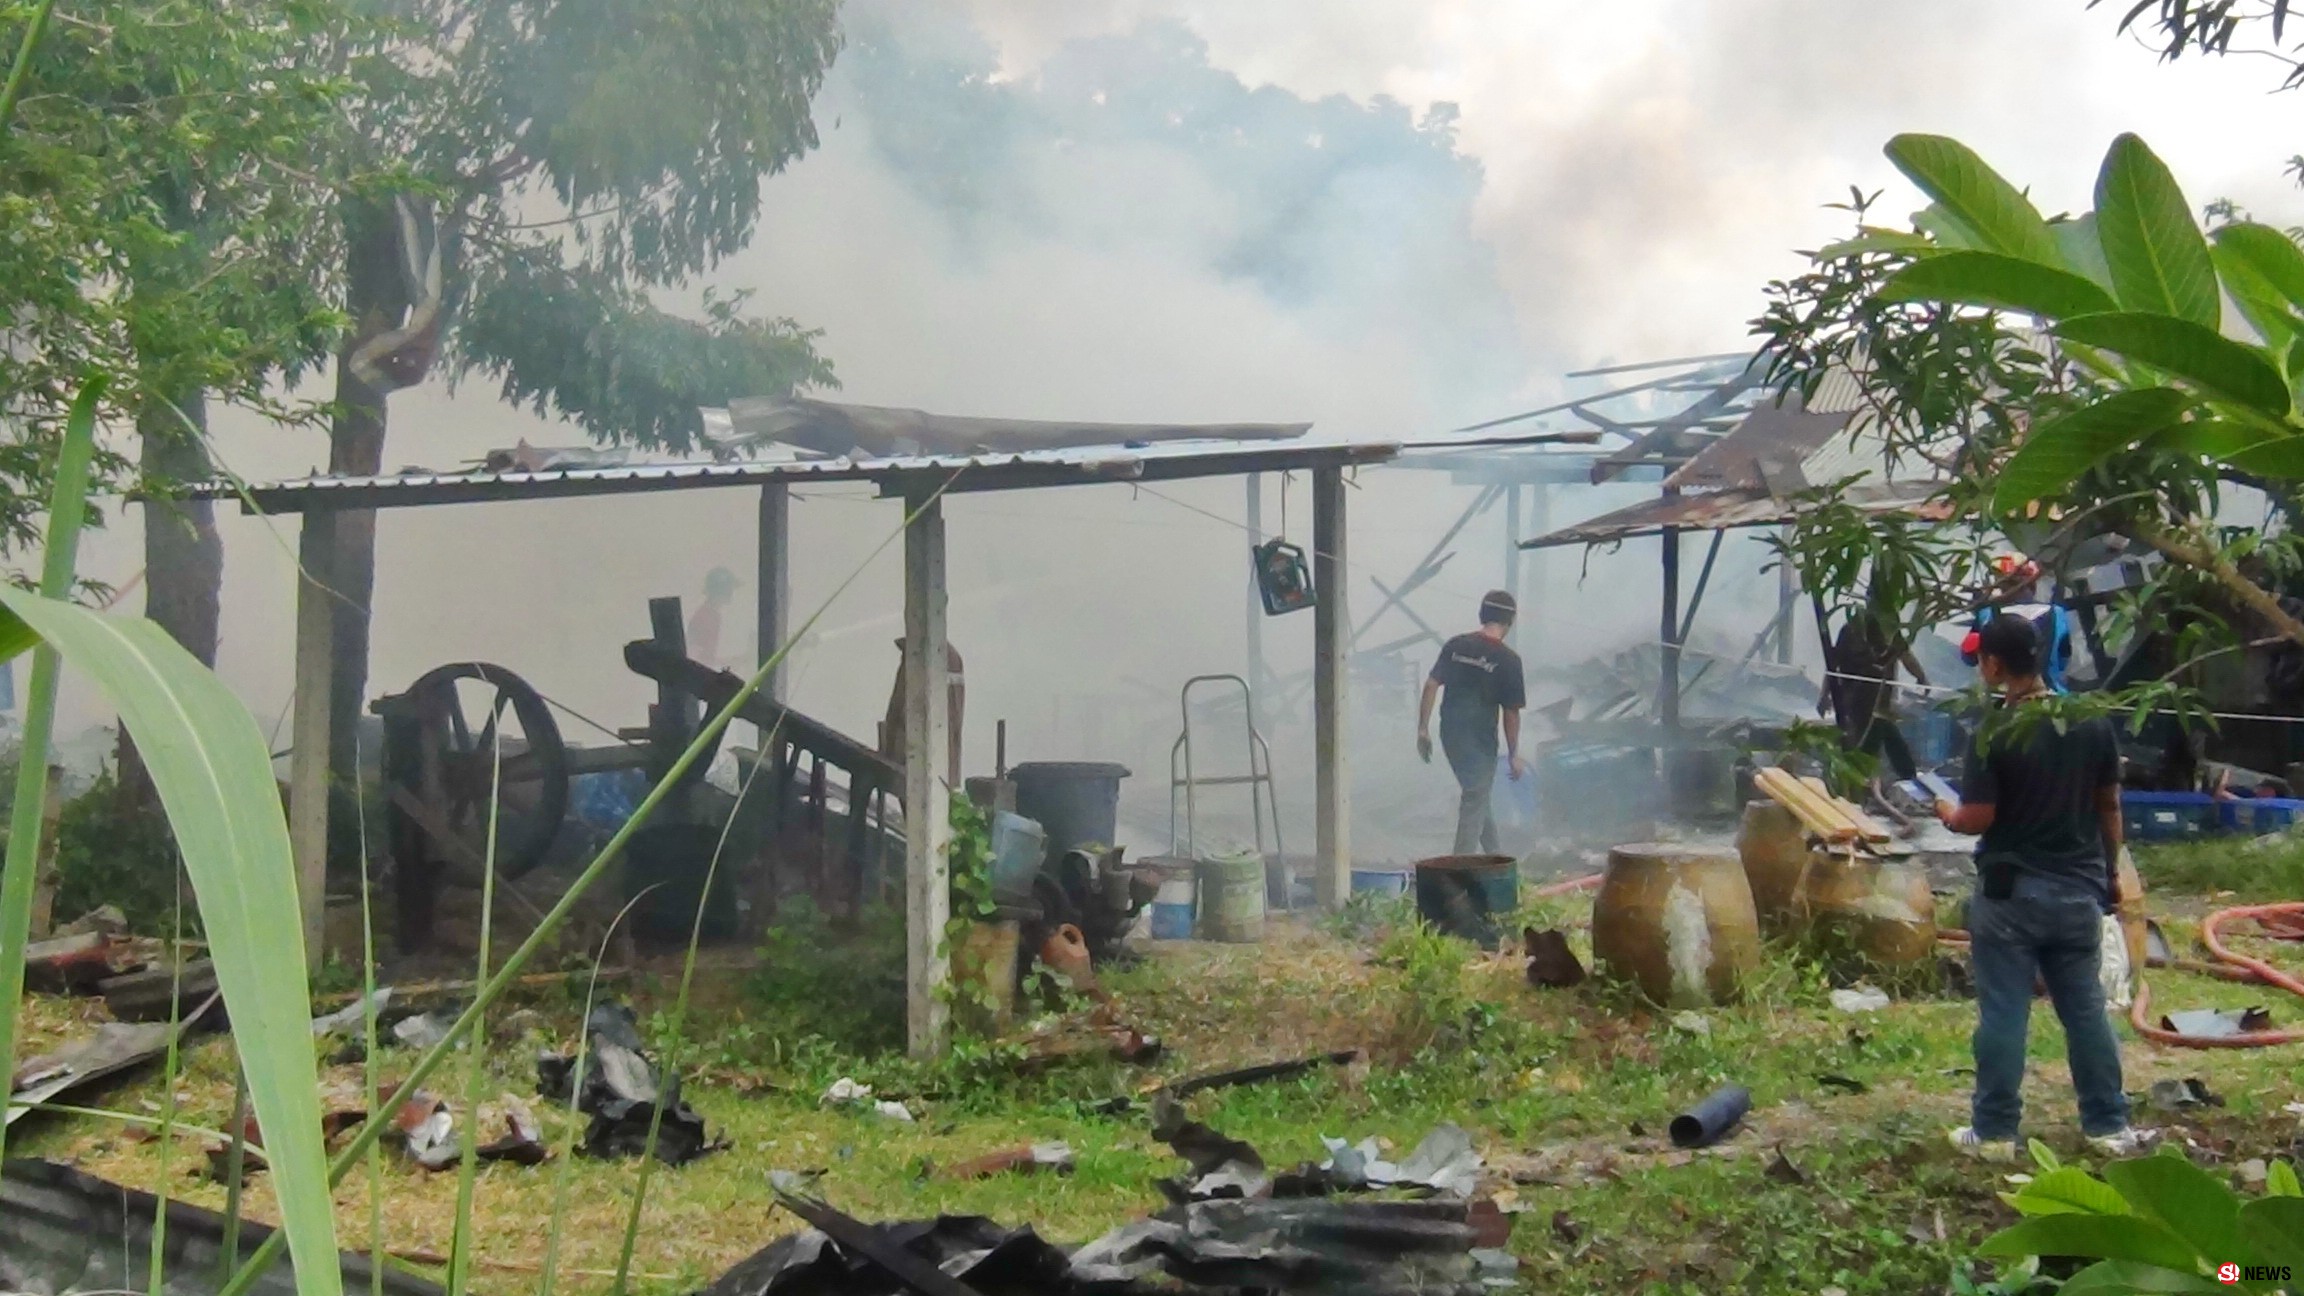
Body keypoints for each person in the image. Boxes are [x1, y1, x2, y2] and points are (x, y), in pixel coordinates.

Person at [1934, 614, 2155, 1159]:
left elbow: (1978, 817)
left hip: (2009, 896)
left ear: (1993, 664)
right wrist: (2110, 874)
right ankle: (2108, 1127)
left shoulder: (1994, 729)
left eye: (1982, 660)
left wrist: (1946, 812)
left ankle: (1993, 1134)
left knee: (2005, 1012)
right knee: (2085, 1011)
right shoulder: (2088, 720)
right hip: (2078, 892)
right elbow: (2109, 805)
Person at [1417, 591, 1527, 855]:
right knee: (1474, 798)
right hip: (1480, 742)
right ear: (1510, 622)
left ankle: (1497, 861)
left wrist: (1423, 729)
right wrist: (1513, 754)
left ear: (1482, 615)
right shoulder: (1509, 661)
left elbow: (1431, 684)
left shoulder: (1456, 646)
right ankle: (1459, 870)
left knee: (1478, 795)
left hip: (1450, 735)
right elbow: (1511, 712)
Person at [687, 567, 740, 671]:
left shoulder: (712, 615)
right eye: (730, 589)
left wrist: (734, 661)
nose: (731, 593)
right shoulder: (705, 617)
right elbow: (697, 660)